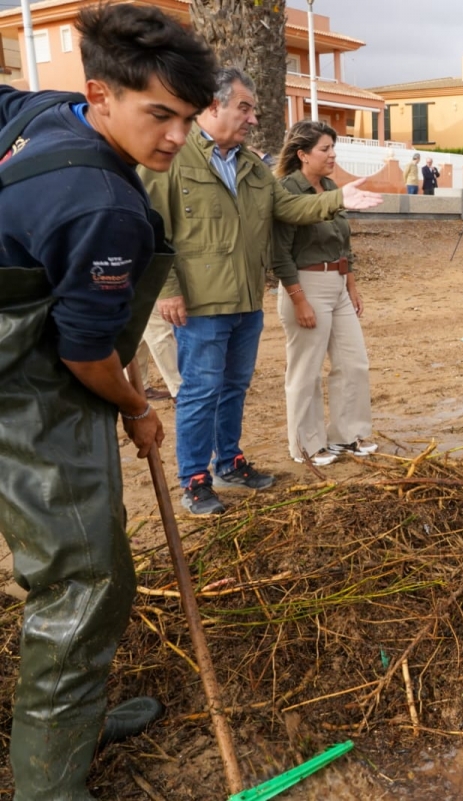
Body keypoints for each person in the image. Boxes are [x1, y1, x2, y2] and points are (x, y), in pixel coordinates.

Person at [0, 5, 217, 798]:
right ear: (101, 93)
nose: (176, 138)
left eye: (188, 118)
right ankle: (48, 785)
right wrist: (137, 408)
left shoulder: (41, 109)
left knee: (95, 566)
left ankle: (71, 717)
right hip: (29, 390)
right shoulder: (106, 206)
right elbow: (87, 355)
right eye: (159, 115)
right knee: (83, 580)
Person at [142, 68, 381, 516]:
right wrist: (168, 290)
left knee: (234, 387)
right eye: (245, 108)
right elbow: (153, 229)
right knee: (200, 392)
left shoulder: (251, 165)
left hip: (247, 301)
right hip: (200, 304)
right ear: (213, 105)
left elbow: (287, 207)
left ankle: (229, 463)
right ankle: (194, 479)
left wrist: (337, 199)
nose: (253, 118)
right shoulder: (172, 158)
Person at [272, 121, 376, 466]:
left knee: (353, 362)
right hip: (306, 284)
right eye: (325, 149)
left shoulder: (331, 187)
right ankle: (306, 445)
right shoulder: (287, 191)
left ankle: (347, 435)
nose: (332, 155)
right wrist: (298, 299)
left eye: (333, 148)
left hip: (338, 284)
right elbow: (279, 253)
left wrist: (351, 285)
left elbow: (343, 244)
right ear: (303, 154)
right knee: (306, 369)